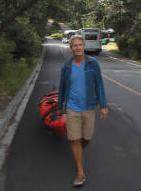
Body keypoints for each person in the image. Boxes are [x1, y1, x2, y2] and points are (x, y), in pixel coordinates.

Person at [58, 34, 108, 187]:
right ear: (71, 48)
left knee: (86, 138)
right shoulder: (66, 67)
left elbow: (99, 85)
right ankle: (80, 172)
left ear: (84, 47)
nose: (78, 47)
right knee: (75, 139)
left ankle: (77, 150)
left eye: (80, 44)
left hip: (88, 107)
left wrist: (103, 106)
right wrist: (60, 107)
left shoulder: (93, 64)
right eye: (75, 45)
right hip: (72, 108)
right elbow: (62, 88)